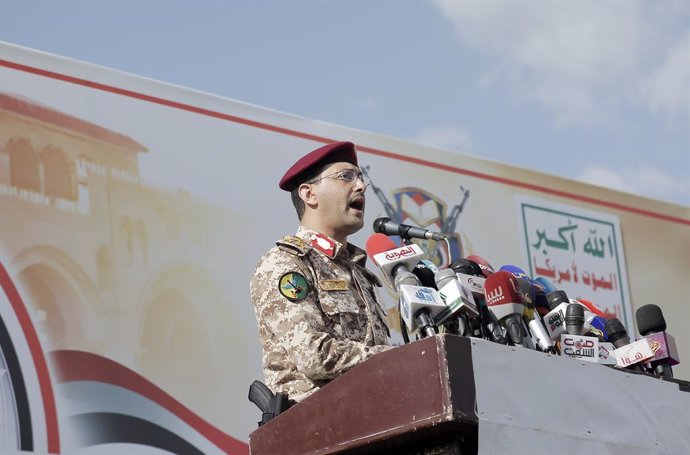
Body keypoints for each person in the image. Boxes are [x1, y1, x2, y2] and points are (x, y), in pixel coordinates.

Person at [250, 141, 392, 403]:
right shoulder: (286, 263)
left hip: (375, 419)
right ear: (309, 194)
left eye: (361, 178)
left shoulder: (359, 272)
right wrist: (395, 359)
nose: (360, 186)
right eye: (346, 176)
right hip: (319, 428)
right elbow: (313, 354)